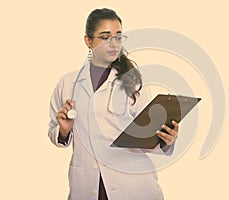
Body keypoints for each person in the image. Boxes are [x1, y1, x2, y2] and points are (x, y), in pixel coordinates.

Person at [48, 8, 179, 200]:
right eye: (105, 37)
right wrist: (64, 131)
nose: (113, 44)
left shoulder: (133, 80)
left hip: (133, 184)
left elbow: (147, 134)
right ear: (88, 41)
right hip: (88, 184)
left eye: (118, 37)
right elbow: (53, 131)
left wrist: (166, 140)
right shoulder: (68, 83)